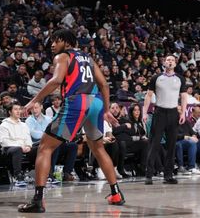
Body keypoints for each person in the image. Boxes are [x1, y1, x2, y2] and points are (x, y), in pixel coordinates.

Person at [17, 29, 124, 213]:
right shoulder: (88, 58)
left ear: (66, 42)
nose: (51, 44)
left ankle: (37, 200)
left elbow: (56, 81)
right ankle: (116, 194)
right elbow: (104, 84)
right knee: (98, 148)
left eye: (55, 40)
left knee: (45, 147)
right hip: (96, 102)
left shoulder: (63, 57)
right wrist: (106, 110)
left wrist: (35, 100)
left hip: (78, 102)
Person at [142, 54, 189, 185]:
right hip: (159, 112)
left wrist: (183, 113)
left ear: (175, 63)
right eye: (168, 60)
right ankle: (149, 175)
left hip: (173, 113)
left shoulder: (180, 79)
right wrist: (144, 113)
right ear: (164, 62)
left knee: (171, 145)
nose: (170, 62)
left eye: (172, 60)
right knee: (154, 144)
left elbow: (184, 97)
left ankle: (168, 175)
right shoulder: (156, 78)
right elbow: (148, 95)